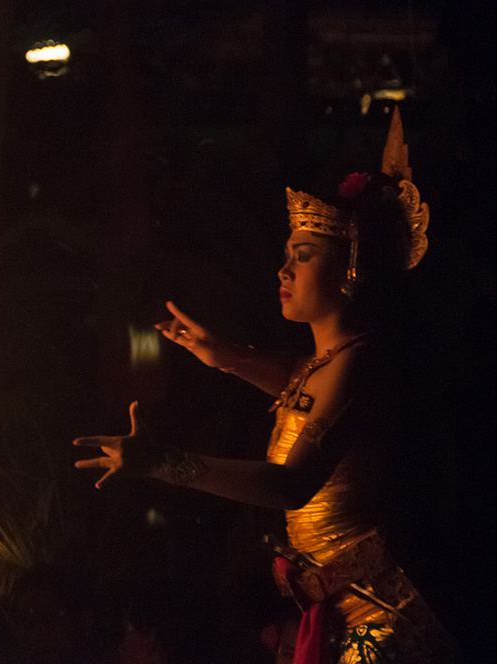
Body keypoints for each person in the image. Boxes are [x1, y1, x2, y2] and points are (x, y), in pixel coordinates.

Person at [73, 109, 456, 664]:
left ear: (352, 268)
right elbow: (299, 384)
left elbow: (290, 485)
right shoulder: (329, 362)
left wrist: (165, 463)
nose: (283, 270)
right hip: (337, 610)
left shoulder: (362, 361)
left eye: (302, 256)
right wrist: (225, 356)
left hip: (381, 618)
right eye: (285, 256)